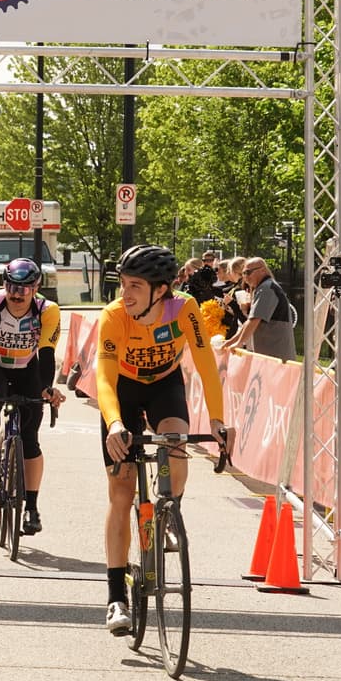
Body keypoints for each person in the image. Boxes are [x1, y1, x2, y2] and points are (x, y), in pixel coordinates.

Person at [96, 244, 229, 637]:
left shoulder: (184, 309)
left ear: (161, 290)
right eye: (123, 284)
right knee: (121, 493)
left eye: (135, 286)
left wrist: (219, 420)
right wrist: (115, 424)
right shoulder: (114, 316)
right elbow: (103, 378)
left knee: (176, 440)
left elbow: (206, 367)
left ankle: (169, 506)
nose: (126, 293)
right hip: (122, 391)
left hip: (164, 386)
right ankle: (116, 596)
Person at [0, 258, 64, 535]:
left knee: (31, 438)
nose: (17, 294)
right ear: (4, 285)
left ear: (36, 287)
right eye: (12, 286)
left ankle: (32, 507)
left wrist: (47, 387)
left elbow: (47, 353)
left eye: (25, 289)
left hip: (29, 369)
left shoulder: (47, 310)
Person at [219, 257, 295, 361]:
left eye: (248, 272)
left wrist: (239, 343)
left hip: (276, 357)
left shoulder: (267, 288)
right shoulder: (263, 287)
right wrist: (231, 342)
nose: (245, 277)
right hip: (269, 355)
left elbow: (254, 320)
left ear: (263, 270)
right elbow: (248, 322)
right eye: (243, 273)